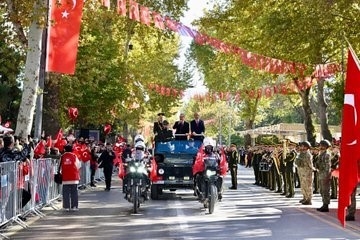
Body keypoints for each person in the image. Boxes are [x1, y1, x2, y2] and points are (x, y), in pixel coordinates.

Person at [60, 144, 81, 211]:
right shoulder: (74, 156)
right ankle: (74, 206)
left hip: (65, 177)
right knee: (74, 192)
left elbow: (59, 167)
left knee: (65, 193)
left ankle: (66, 207)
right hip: (74, 177)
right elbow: (78, 165)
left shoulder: (62, 156)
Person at [315, 139, 332, 212]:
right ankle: (324, 204)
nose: (320, 146)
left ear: (325, 146)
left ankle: (326, 205)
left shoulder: (327, 155)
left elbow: (327, 166)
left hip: (325, 174)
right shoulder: (321, 154)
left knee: (325, 190)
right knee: (322, 190)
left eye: (321, 145)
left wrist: (327, 176)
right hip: (321, 174)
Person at [295, 141, 314, 205]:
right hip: (301, 171)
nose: (301, 147)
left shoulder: (308, 154)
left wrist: (312, 169)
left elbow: (310, 164)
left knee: (308, 186)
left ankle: (309, 199)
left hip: (307, 172)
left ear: (306, 147)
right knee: (303, 185)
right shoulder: (300, 154)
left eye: (302, 146)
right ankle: (305, 197)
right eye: (301, 146)